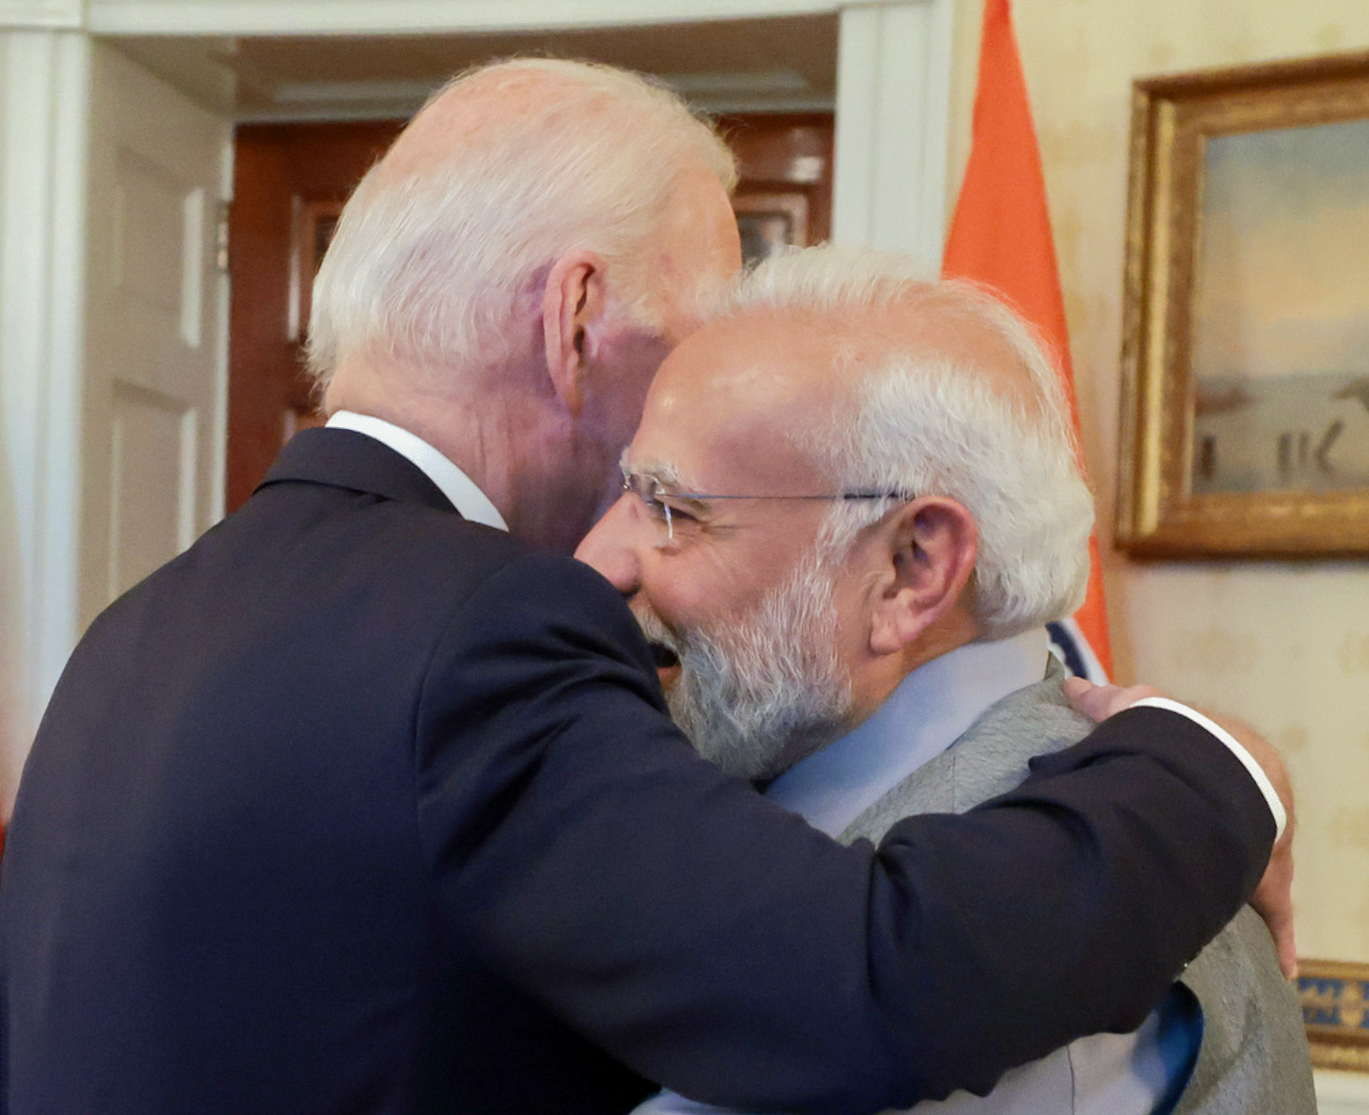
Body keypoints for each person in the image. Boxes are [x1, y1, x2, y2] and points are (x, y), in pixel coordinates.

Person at [0, 60, 1285, 1115]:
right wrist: (1228, 765)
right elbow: (871, 983)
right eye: (690, 342)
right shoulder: (478, 624)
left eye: (678, 506)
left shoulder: (136, 626)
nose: (625, 545)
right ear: (575, 322)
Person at [576, 244, 1314, 1115]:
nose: (598, 561)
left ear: (910, 567)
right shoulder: (1119, 834)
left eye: (674, 510)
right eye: (623, 492)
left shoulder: (1053, 955)